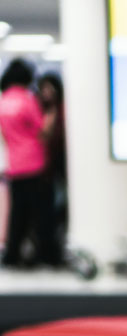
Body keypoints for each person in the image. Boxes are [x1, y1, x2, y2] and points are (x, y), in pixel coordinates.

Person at [0, 59, 61, 268]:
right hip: (34, 164)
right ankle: (48, 256)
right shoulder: (27, 100)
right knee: (42, 214)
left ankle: (12, 255)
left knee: (17, 214)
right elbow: (42, 132)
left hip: (14, 165)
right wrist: (52, 113)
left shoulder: (3, 101)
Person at [37, 72, 67, 235]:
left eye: (51, 89)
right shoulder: (39, 110)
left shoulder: (64, 110)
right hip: (44, 164)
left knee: (63, 201)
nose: (47, 93)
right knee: (49, 203)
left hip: (62, 161)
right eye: (44, 89)